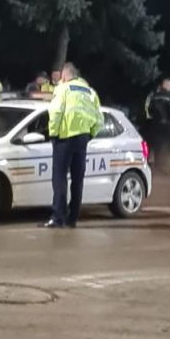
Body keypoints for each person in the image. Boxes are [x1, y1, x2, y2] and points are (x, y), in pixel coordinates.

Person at [44, 63, 103, 229]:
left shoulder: (63, 89)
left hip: (65, 138)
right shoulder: (90, 92)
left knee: (59, 178)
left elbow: (56, 112)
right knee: (77, 180)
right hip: (82, 139)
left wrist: (53, 134)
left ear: (64, 75)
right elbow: (99, 119)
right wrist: (90, 134)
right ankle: (73, 218)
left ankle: (58, 217)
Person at [143, 77, 170, 173]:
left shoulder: (153, 95)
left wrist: (149, 119)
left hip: (153, 124)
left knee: (152, 145)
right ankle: (161, 166)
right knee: (163, 145)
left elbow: (147, 107)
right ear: (166, 85)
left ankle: (148, 164)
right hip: (166, 125)